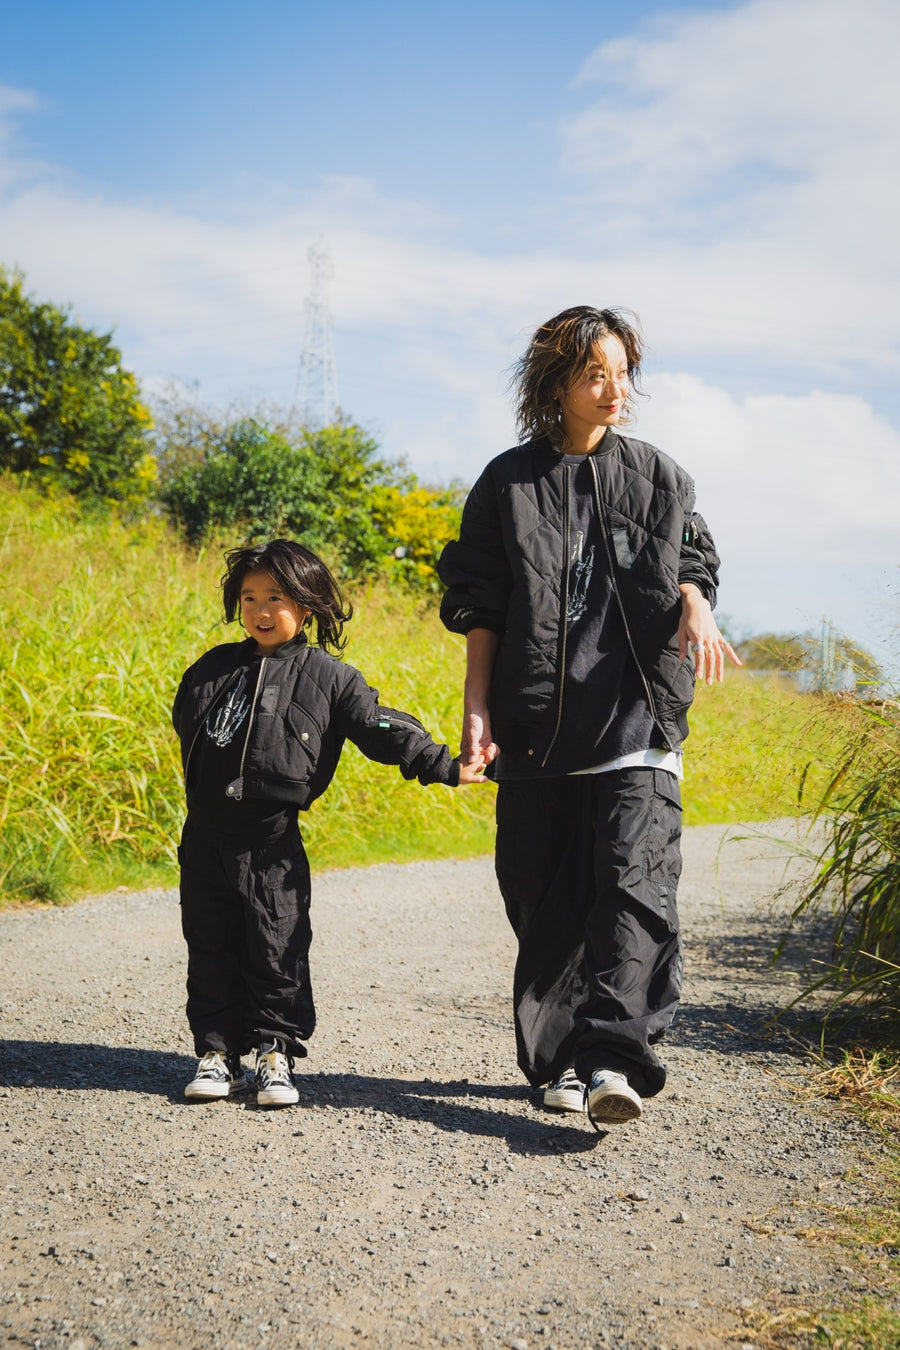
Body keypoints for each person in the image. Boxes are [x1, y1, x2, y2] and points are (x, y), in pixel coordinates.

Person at [438, 305, 739, 1130]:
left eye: (622, 372)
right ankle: (564, 1060)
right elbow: (480, 604)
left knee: (637, 891)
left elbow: (692, 556)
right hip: (536, 724)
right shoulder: (507, 482)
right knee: (542, 897)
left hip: (639, 716)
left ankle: (615, 1057)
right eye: (595, 374)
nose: (615, 390)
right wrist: (476, 710)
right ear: (557, 385)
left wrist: (696, 605)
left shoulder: (659, 474)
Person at [173, 538, 485, 1107]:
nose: (261, 611)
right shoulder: (212, 668)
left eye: (276, 597)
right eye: (248, 599)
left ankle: (274, 1053)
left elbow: (383, 728)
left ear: (309, 606)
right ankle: (217, 1054)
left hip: (272, 841)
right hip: (206, 839)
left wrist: (445, 764)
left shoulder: (329, 678)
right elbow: (188, 725)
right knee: (210, 945)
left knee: (277, 946)